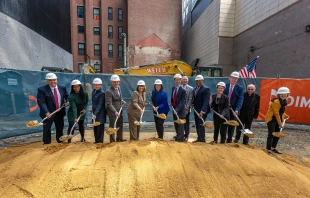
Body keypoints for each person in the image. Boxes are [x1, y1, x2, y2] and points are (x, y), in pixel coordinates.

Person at [37, 73, 68, 144]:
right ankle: (47, 143)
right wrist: (46, 112)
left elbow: (67, 96)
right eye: (50, 80)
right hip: (48, 113)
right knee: (47, 129)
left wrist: (68, 101)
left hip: (59, 112)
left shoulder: (62, 88)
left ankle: (60, 141)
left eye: (54, 80)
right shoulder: (42, 90)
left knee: (60, 128)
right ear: (47, 81)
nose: (52, 82)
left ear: (56, 80)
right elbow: (41, 102)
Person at [265, 87, 290, 155]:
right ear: (279, 94)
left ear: (287, 94)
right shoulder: (276, 101)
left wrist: (285, 115)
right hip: (272, 119)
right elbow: (276, 113)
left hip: (278, 119)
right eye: (282, 94)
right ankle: (268, 148)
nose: (284, 95)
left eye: (285, 94)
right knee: (271, 134)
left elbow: (281, 111)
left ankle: (273, 147)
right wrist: (280, 123)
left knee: (277, 134)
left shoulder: (284, 101)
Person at [223, 71, 244, 143]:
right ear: (230, 78)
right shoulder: (225, 86)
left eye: (235, 78)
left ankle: (229, 139)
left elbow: (240, 99)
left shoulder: (240, 88)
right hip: (225, 109)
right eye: (233, 78)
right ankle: (223, 138)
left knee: (232, 124)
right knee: (224, 123)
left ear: (237, 80)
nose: (234, 80)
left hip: (234, 110)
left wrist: (237, 109)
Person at [105, 74, 126, 142]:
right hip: (112, 112)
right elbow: (109, 104)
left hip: (120, 110)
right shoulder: (109, 91)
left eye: (117, 81)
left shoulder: (119, 88)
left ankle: (119, 138)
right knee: (112, 126)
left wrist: (121, 101)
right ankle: (112, 140)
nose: (116, 83)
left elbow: (119, 98)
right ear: (111, 82)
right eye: (114, 82)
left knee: (120, 124)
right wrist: (115, 112)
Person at [191, 75, 211, 143]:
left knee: (201, 124)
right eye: (197, 81)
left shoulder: (206, 89)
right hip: (196, 110)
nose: (198, 82)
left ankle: (202, 139)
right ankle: (199, 138)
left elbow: (206, 101)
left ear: (202, 81)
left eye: (200, 80)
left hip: (202, 110)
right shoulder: (195, 89)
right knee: (197, 124)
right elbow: (195, 99)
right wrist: (192, 104)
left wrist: (202, 111)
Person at [171, 74, 186, 142]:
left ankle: (180, 139)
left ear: (181, 81)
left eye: (179, 80)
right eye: (176, 80)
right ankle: (178, 137)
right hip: (174, 110)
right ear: (174, 80)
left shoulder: (183, 90)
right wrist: (171, 104)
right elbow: (173, 98)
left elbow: (183, 102)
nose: (177, 81)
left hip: (180, 111)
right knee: (176, 125)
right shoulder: (173, 88)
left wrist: (177, 110)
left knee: (180, 126)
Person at [91, 78, 107, 143]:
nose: (97, 86)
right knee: (95, 126)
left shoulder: (102, 93)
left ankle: (100, 141)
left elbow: (100, 104)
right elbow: (93, 102)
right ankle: (96, 140)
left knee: (100, 127)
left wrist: (95, 113)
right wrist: (92, 109)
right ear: (94, 85)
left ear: (101, 85)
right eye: (96, 85)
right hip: (95, 112)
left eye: (98, 85)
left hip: (100, 112)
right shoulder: (93, 92)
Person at [181, 75, 193, 141]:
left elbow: (190, 99)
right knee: (181, 122)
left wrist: (187, 108)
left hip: (186, 109)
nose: (185, 80)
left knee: (186, 122)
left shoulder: (191, 88)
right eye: (183, 79)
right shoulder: (179, 87)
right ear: (182, 80)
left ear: (187, 80)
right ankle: (181, 134)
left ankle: (186, 135)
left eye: (186, 79)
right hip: (180, 109)